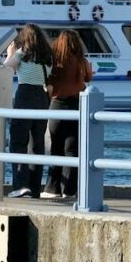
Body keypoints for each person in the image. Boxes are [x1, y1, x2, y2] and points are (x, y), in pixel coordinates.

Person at [2, 24, 53, 199]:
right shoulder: (48, 56)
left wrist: (10, 53)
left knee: (18, 142)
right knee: (36, 145)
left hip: (25, 95)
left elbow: (7, 67)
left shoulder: (23, 52)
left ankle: (21, 185)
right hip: (42, 97)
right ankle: (34, 188)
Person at [43, 30, 93, 199]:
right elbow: (88, 78)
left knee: (56, 147)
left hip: (57, 105)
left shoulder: (55, 61)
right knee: (72, 149)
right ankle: (70, 190)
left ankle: (52, 188)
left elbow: (48, 82)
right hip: (76, 106)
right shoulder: (81, 61)